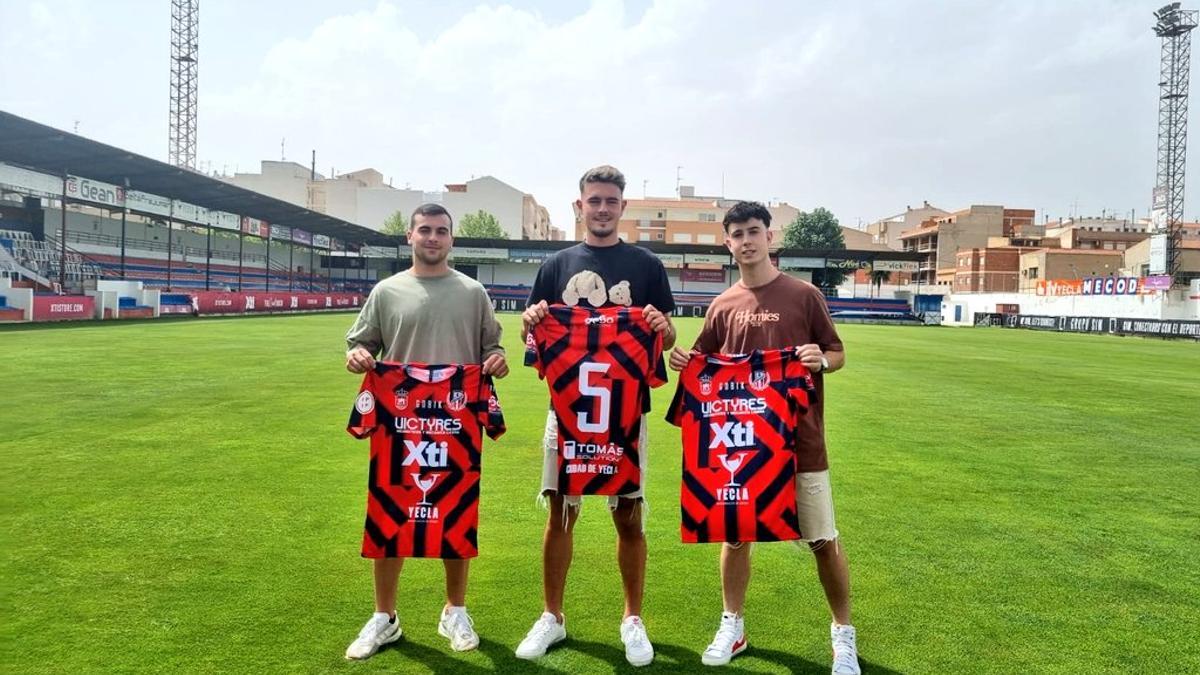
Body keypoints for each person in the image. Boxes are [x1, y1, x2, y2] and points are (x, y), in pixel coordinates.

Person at [668, 201, 860, 674]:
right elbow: (701, 366)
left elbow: (837, 352)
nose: (746, 240)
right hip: (741, 447)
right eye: (737, 233)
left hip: (802, 444)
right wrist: (682, 364)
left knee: (822, 539)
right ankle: (732, 626)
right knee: (734, 538)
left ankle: (843, 636)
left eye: (754, 231)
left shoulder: (803, 295)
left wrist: (822, 360)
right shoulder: (721, 306)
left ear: (770, 237)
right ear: (728, 243)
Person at [515, 165, 676, 667]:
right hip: (566, 413)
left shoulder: (646, 264)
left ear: (622, 207)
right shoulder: (556, 265)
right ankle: (552, 617)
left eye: (611, 200)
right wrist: (528, 327)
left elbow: (666, 340)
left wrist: (660, 326)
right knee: (562, 510)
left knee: (628, 514)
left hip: (625, 413)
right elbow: (533, 348)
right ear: (579, 206)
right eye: (594, 200)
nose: (602, 208)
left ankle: (632, 619)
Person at [342, 203, 509, 660]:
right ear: (409, 237)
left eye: (441, 231)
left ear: (451, 239)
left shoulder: (473, 292)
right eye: (425, 230)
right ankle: (385, 617)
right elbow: (360, 343)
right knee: (388, 512)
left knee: (455, 514)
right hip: (399, 422)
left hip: (456, 423)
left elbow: (493, 349)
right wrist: (356, 356)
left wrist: (497, 360)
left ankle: (454, 608)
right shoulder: (386, 291)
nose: (433, 238)